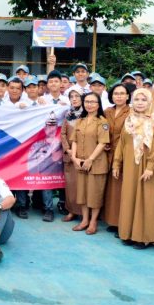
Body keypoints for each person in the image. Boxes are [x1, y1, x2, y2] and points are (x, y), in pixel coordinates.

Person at [112, 89, 154, 248]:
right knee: (129, 196)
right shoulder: (129, 119)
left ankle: (144, 236)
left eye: (144, 99)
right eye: (136, 99)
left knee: (147, 199)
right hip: (131, 165)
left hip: (148, 165)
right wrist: (117, 163)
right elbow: (122, 144)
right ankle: (129, 233)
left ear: (150, 102)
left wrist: (151, 166)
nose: (139, 102)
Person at [70, 92, 110, 235]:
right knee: (83, 193)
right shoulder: (80, 121)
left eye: (93, 102)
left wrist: (90, 159)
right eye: (86, 101)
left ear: (98, 104)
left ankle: (93, 222)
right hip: (81, 162)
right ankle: (84, 220)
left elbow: (102, 142)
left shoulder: (102, 122)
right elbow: (73, 140)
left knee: (94, 194)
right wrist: (74, 157)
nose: (89, 104)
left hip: (96, 163)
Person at [103, 84, 131, 232]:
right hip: (107, 153)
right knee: (110, 188)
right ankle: (112, 220)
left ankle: (123, 222)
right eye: (116, 93)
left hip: (124, 154)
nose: (119, 96)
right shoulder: (107, 111)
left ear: (127, 96)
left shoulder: (132, 111)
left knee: (122, 187)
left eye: (122, 93)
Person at [60, 90, 83, 222]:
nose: (74, 99)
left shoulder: (87, 114)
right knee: (70, 185)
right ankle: (71, 211)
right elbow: (63, 133)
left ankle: (84, 213)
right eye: (71, 97)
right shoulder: (68, 115)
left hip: (83, 155)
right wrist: (67, 149)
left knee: (83, 186)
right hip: (69, 156)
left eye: (77, 96)